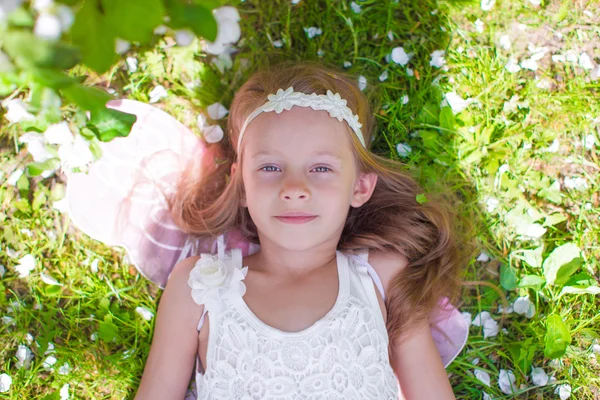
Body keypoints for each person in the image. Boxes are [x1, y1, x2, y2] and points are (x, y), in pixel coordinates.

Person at [66, 60, 470, 399]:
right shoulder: (199, 286)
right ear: (241, 186)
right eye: (271, 168)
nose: (295, 189)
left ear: (360, 187)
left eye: (321, 169)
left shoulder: (380, 275)